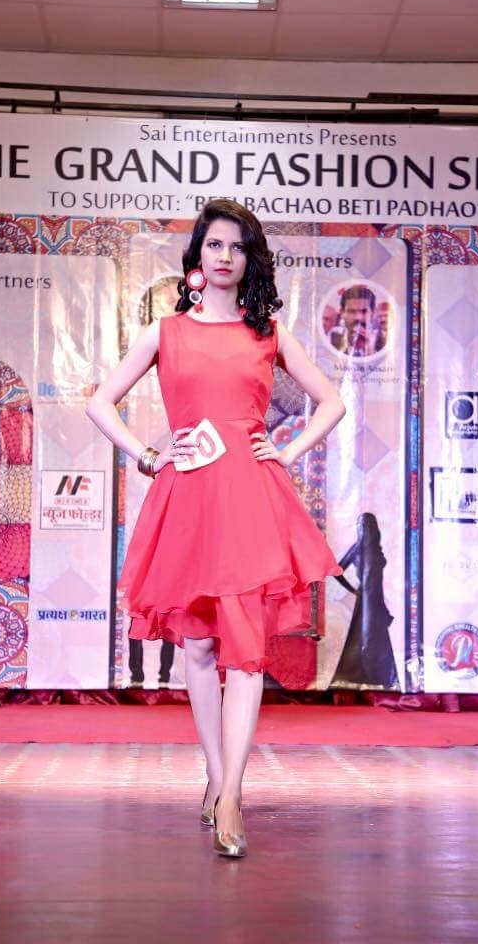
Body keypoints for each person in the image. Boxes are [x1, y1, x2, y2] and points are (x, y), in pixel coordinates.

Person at [87, 199, 345, 858]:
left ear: (250, 258)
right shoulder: (166, 332)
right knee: (199, 646)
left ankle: (231, 793)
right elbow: (99, 401)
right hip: (189, 497)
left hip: (249, 497)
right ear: (197, 256)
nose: (225, 256)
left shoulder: (269, 334)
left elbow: (332, 401)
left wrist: (285, 451)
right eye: (214, 245)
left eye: (237, 246)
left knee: (246, 648)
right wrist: (148, 456)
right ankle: (214, 773)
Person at [331, 512, 400, 689]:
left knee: (372, 637)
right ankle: (366, 676)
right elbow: (337, 571)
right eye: (363, 525)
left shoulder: (375, 548)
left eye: (367, 525)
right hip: (367, 598)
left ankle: (379, 676)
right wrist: (352, 590)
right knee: (366, 636)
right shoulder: (358, 548)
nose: (365, 529)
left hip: (375, 597)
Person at [329, 284, 376, 357]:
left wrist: (371, 350)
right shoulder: (330, 338)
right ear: (342, 313)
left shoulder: (384, 342)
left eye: (364, 311)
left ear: (373, 313)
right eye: (351, 311)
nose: (358, 317)